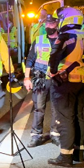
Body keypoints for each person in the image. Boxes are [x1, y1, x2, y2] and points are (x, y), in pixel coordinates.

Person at [47, 7, 84, 167]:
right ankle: (79, 153)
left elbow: (54, 57)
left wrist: (53, 72)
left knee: (65, 119)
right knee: (79, 117)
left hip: (65, 83)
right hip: (82, 82)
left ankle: (65, 156)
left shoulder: (65, 36)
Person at [23, 14, 59, 147]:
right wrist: (27, 78)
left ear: (57, 24)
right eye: (47, 24)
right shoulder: (38, 40)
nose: (49, 26)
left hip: (57, 80)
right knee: (39, 108)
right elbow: (30, 60)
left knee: (56, 108)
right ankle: (36, 135)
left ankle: (55, 134)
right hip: (40, 79)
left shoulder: (62, 40)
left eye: (52, 23)